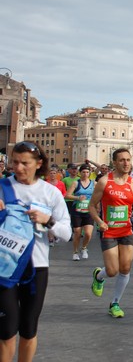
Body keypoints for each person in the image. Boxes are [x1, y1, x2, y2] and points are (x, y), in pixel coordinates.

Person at [0, 141, 71, 362]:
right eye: (15, 162)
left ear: (39, 164)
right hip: (4, 267)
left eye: (25, 163)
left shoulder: (50, 193)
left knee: (29, 329)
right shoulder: (2, 187)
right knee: (6, 329)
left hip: (36, 267)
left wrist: (48, 221)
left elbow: (66, 234)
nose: (18, 168)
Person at [88, 148, 133, 318]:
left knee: (125, 268)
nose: (126, 163)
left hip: (126, 230)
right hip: (109, 231)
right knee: (112, 271)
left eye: (128, 159)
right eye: (122, 160)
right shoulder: (104, 182)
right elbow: (91, 206)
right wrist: (100, 222)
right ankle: (99, 275)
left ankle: (115, 303)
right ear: (114, 163)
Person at [65, 164, 95, 261]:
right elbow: (67, 195)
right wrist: (78, 197)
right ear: (80, 173)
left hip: (88, 210)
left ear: (90, 173)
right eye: (83, 172)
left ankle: (84, 248)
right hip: (77, 210)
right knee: (77, 232)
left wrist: (96, 205)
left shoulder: (94, 183)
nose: (85, 174)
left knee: (88, 233)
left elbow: (100, 193)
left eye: (87, 172)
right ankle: (75, 252)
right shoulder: (76, 183)